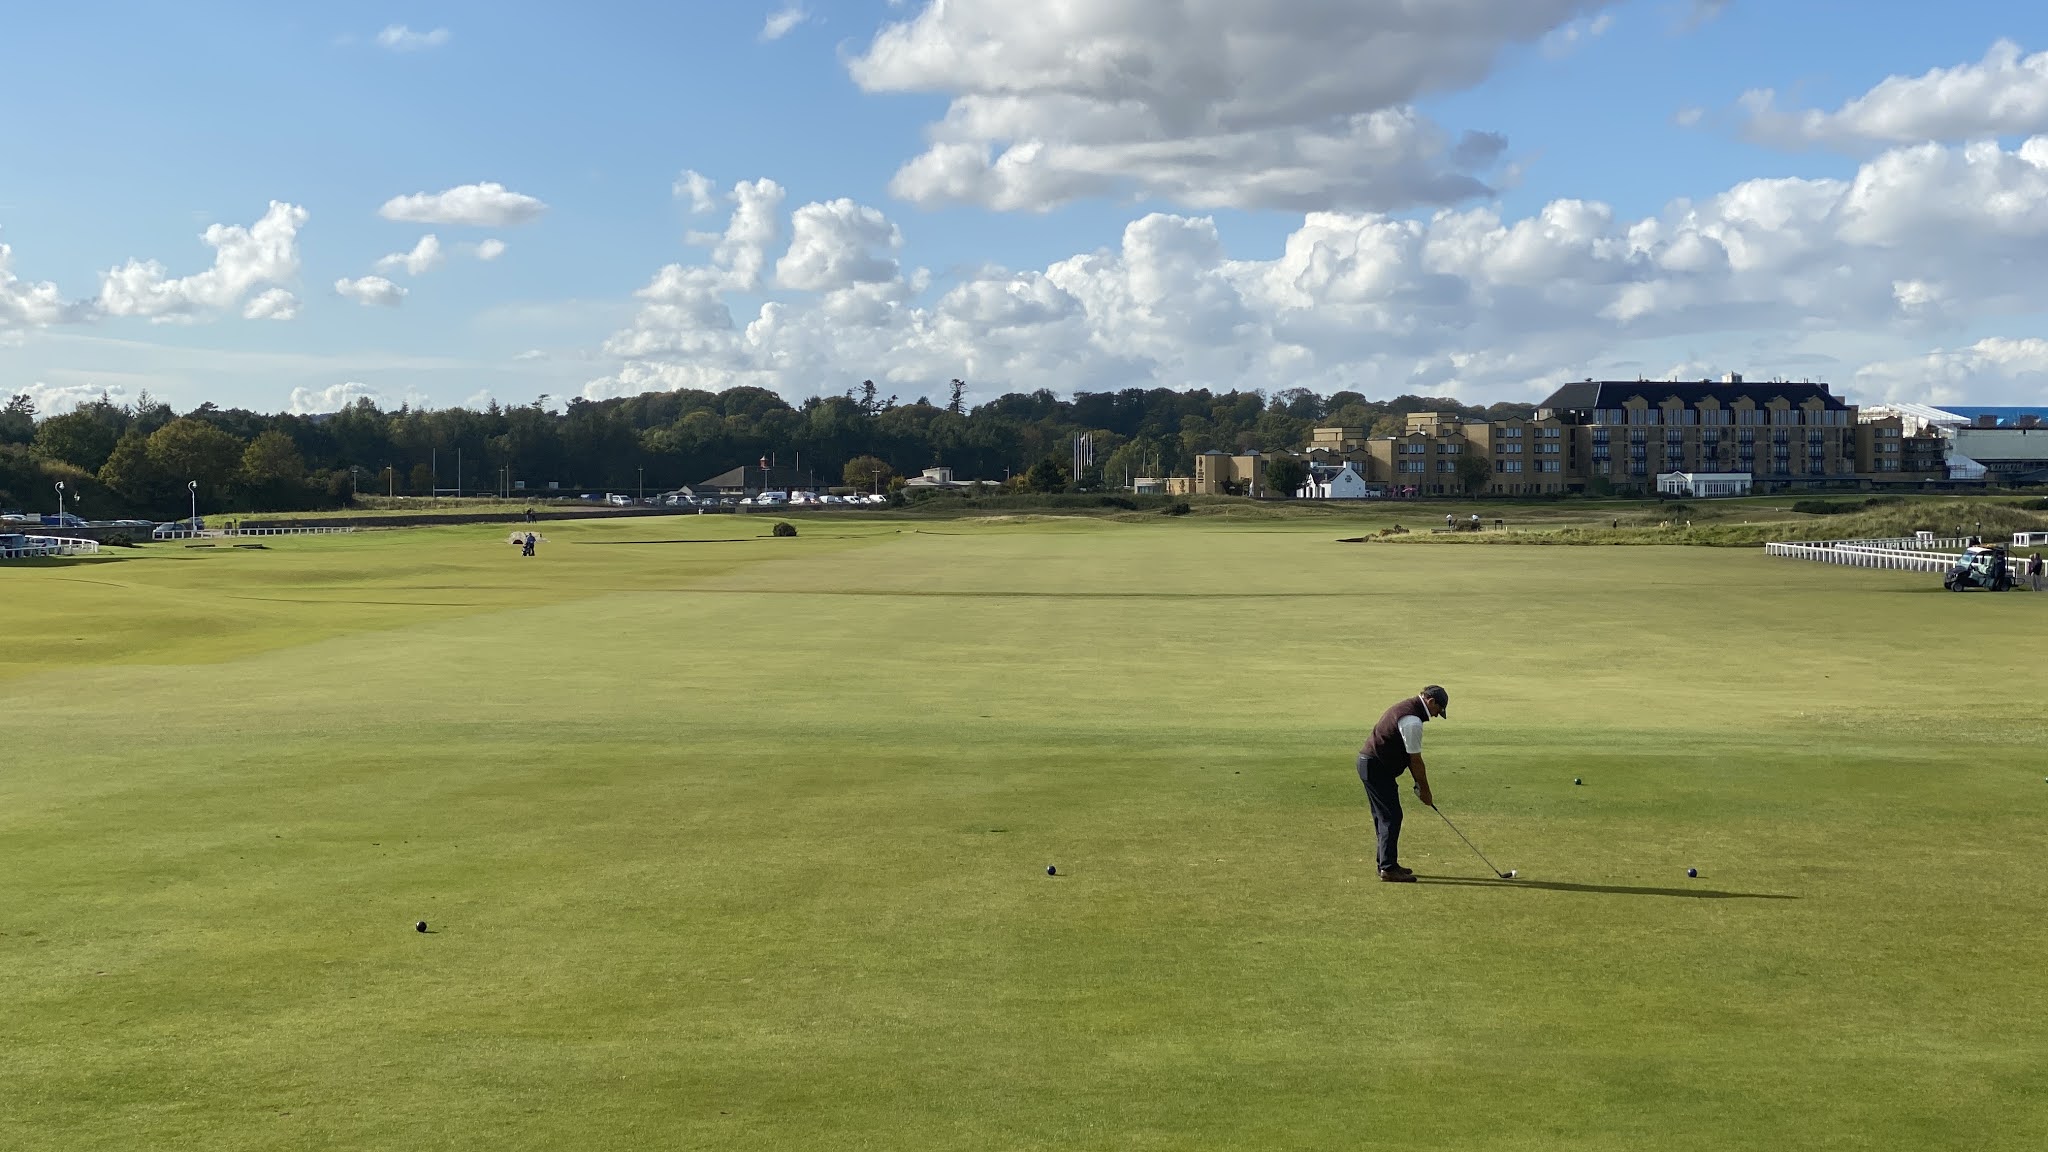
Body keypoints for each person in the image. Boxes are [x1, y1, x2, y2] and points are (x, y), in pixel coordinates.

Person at [1357, 685, 1450, 883]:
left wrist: (1420, 786)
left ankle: (1386, 863)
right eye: (1438, 710)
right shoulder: (1412, 721)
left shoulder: (1408, 709)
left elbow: (1407, 757)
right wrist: (1425, 790)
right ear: (1430, 701)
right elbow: (1415, 760)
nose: (1435, 716)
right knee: (1391, 816)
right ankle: (1388, 868)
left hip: (1372, 765)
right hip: (1375, 767)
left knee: (1384, 816)